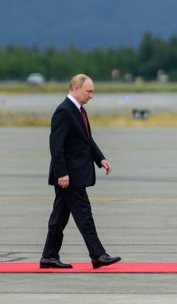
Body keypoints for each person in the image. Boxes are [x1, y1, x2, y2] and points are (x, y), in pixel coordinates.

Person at [39, 74, 122, 269]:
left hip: (73, 174)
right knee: (84, 214)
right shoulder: (64, 111)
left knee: (59, 217)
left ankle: (49, 255)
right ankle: (98, 254)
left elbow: (87, 140)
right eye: (89, 91)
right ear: (76, 88)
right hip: (69, 176)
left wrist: (100, 159)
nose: (91, 95)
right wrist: (61, 173)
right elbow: (56, 146)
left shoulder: (79, 110)